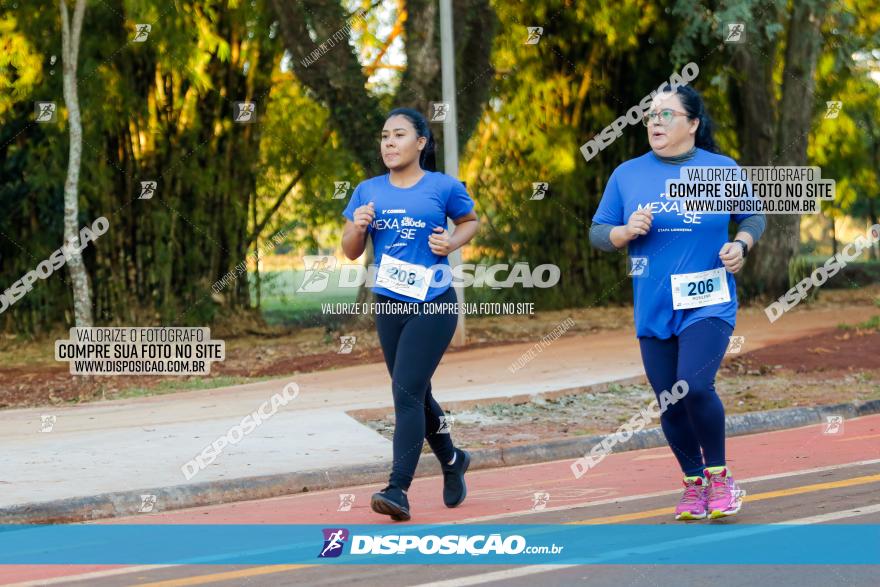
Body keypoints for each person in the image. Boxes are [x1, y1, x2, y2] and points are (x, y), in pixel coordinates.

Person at [589, 85, 766, 520]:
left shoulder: (719, 169)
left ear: (692, 124)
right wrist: (624, 232)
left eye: (667, 114)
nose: (655, 121)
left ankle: (721, 479)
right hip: (654, 303)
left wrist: (740, 245)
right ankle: (693, 483)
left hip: (709, 300)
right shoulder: (627, 175)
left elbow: (752, 215)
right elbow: (598, 233)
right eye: (651, 114)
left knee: (695, 385)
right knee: (669, 398)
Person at [341, 107, 480, 521]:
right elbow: (350, 250)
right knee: (416, 393)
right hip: (388, 305)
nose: (389, 143)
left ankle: (397, 488)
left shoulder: (443, 186)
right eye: (384, 136)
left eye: (398, 135)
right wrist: (358, 228)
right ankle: (452, 459)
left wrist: (451, 243)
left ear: (420, 142)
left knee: (404, 393)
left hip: (433, 304)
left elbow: (470, 221)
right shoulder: (367, 191)